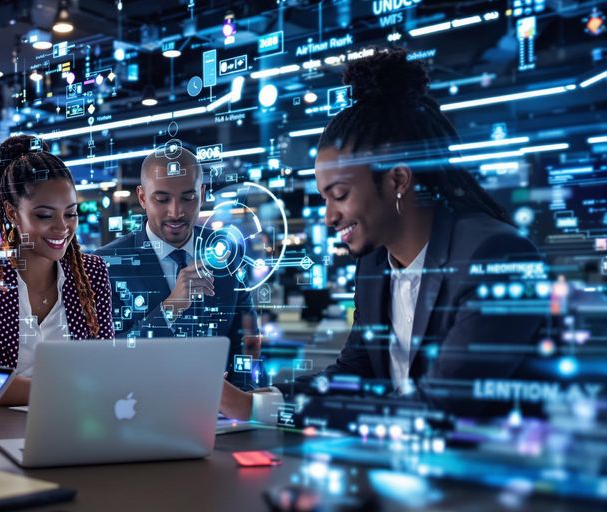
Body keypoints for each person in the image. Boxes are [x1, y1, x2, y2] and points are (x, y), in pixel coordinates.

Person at [220, 48, 544, 422]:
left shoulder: (496, 255)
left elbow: (439, 410)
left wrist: (258, 408)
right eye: (325, 198)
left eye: (340, 195)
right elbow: (354, 373)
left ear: (398, 180)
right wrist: (259, 400)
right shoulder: (375, 264)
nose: (329, 217)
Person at [0, 135, 114, 404]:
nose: (62, 227)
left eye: (70, 213)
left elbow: (105, 365)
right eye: (45, 215)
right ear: (11, 213)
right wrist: (75, 389)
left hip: (65, 419)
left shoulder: (91, 273)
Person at [94, 147, 258, 387]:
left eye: (188, 198)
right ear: (142, 197)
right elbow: (104, 358)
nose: (176, 212)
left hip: (217, 407)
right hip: (137, 403)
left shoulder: (226, 253)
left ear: (202, 194)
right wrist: (170, 309)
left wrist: (243, 402)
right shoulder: (105, 264)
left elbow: (246, 346)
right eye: (162, 200)